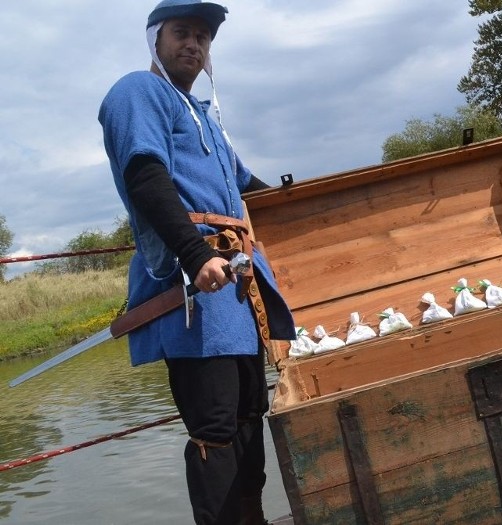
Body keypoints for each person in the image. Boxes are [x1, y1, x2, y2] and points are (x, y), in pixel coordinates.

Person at [98, 1, 296, 523]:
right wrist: (194, 251)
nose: (194, 44)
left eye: (203, 38)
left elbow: (247, 188)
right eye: (182, 32)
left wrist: (308, 203)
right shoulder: (137, 93)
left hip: (238, 290)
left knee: (251, 414)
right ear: (155, 41)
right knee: (215, 427)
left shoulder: (204, 117)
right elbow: (145, 175)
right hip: (194, 287)